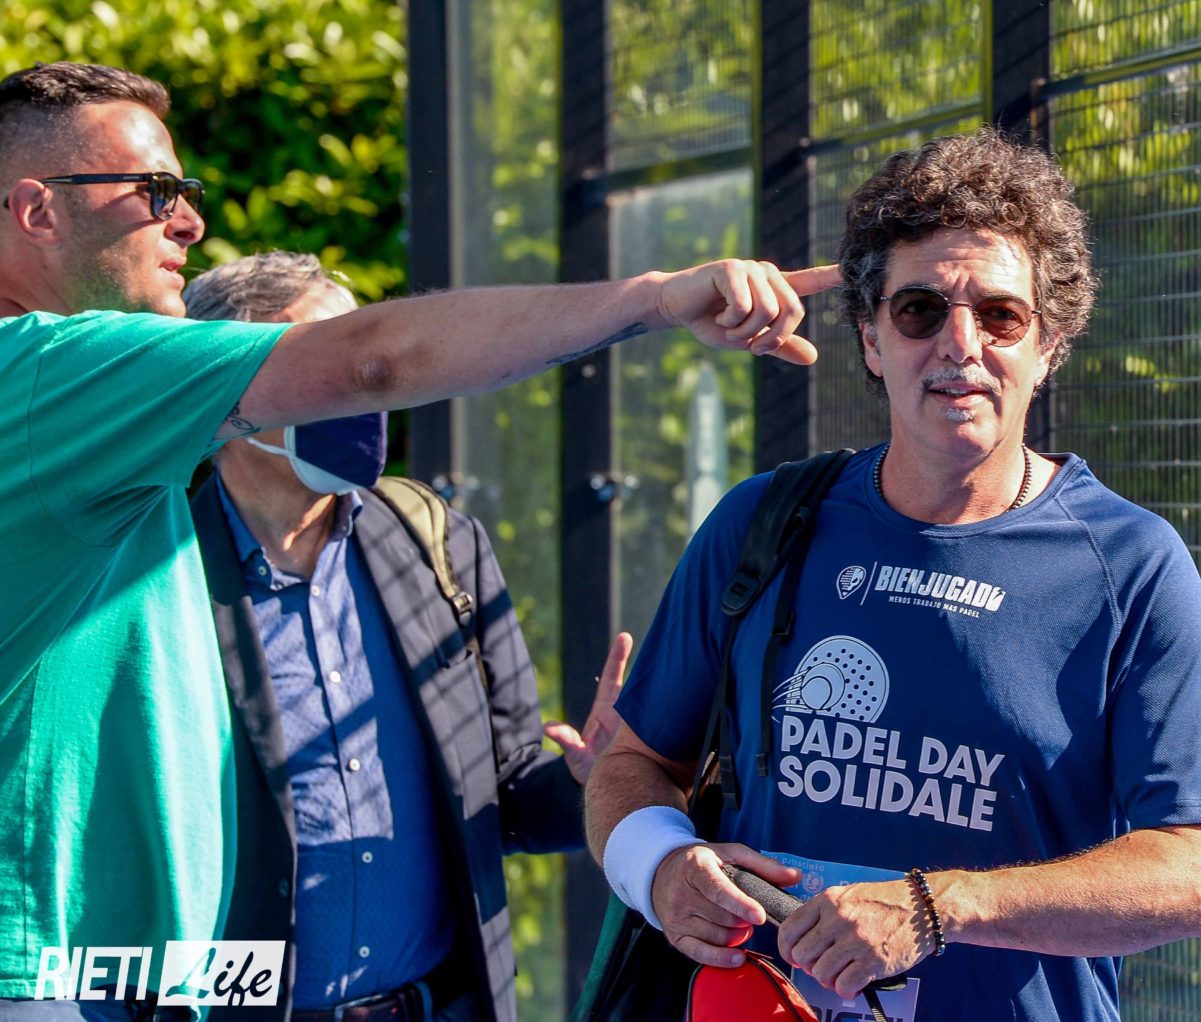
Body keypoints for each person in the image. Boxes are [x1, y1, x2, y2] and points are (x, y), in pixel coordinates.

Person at [0, 61, 832, 1018]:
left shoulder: (415, 540)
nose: (187, 220)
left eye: (185, 189)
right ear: (37, 211)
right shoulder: (47, 376)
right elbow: (371, 361)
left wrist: (598, 781)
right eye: (154, 191)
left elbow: (501, 791)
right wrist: (653, 300)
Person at [584, 127, 1201, 1021]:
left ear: (1049, 345)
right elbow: (635, 764)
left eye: (1001, 315)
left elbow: (1200, 876)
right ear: (870, 338)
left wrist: (939, 908)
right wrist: (662, 867)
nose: (960, 343)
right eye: (919, 310)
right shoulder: (765, 523)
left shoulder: (1131, 564)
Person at [180, 252, 624, 1022]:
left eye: (364, 354)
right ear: (225, 392)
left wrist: (592, 780)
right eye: (327, 361)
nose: (364, 383)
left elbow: (504, 801)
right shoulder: (156, 580)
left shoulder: (438, 544)